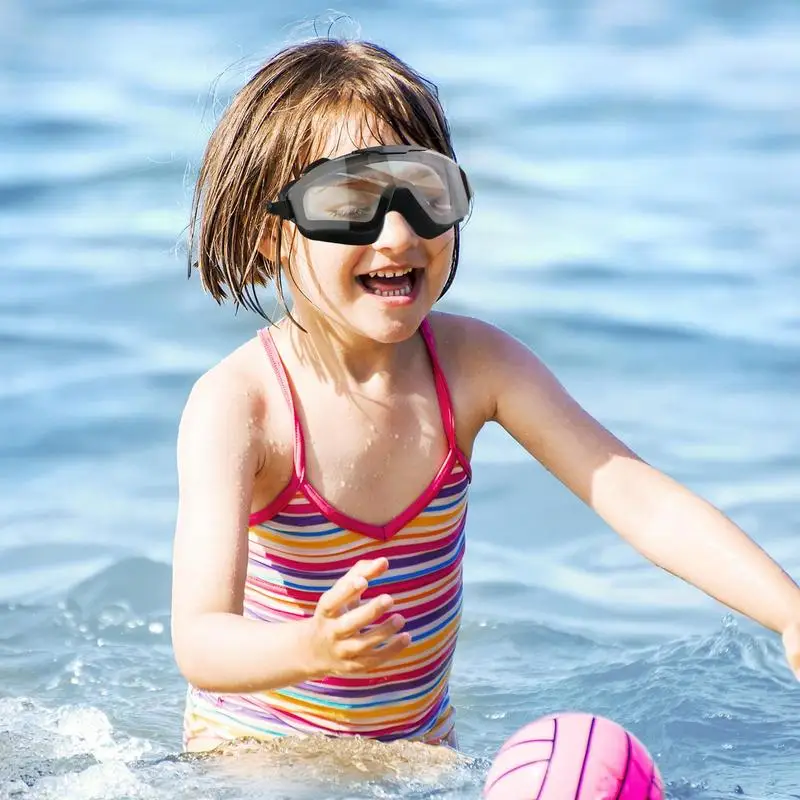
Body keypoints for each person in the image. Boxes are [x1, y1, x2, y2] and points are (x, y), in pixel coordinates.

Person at [170, 38, 800, 754]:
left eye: (425, 192)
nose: (400, 233)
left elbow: (637, 499)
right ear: (269, 233)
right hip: (257, 752)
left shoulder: (475, 367)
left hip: (418, 755)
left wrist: (788, 612)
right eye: (352, 202)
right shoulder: (239, 407)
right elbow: (201, 641)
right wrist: (310, 649)